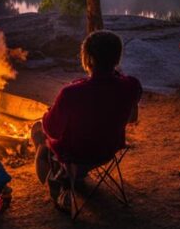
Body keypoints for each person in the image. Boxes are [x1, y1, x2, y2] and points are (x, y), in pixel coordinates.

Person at [32, 30, 142, 203]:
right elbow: (133, 118)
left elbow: (52, 130)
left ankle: (58, 181)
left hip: (76, 155)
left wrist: (48, 114)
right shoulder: (132, 85)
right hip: (109, 149)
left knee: (39, 130)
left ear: (88, 58)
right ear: (117, 57)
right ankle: (73, 176)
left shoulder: (70, 93)